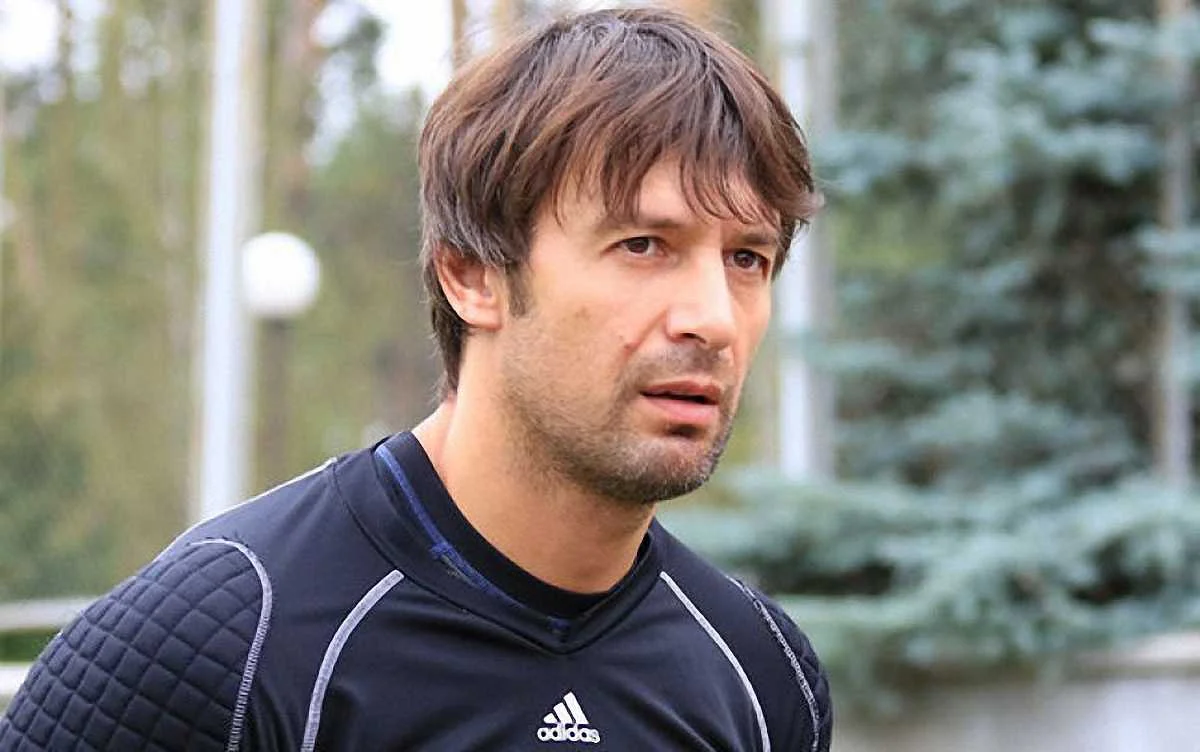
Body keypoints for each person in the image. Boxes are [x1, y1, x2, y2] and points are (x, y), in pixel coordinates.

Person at [0, 7, 831, 750]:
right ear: (472, 276)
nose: (714, 320)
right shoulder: (217, 646)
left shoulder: (763, 678)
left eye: (747, 259)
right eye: (642, 247)